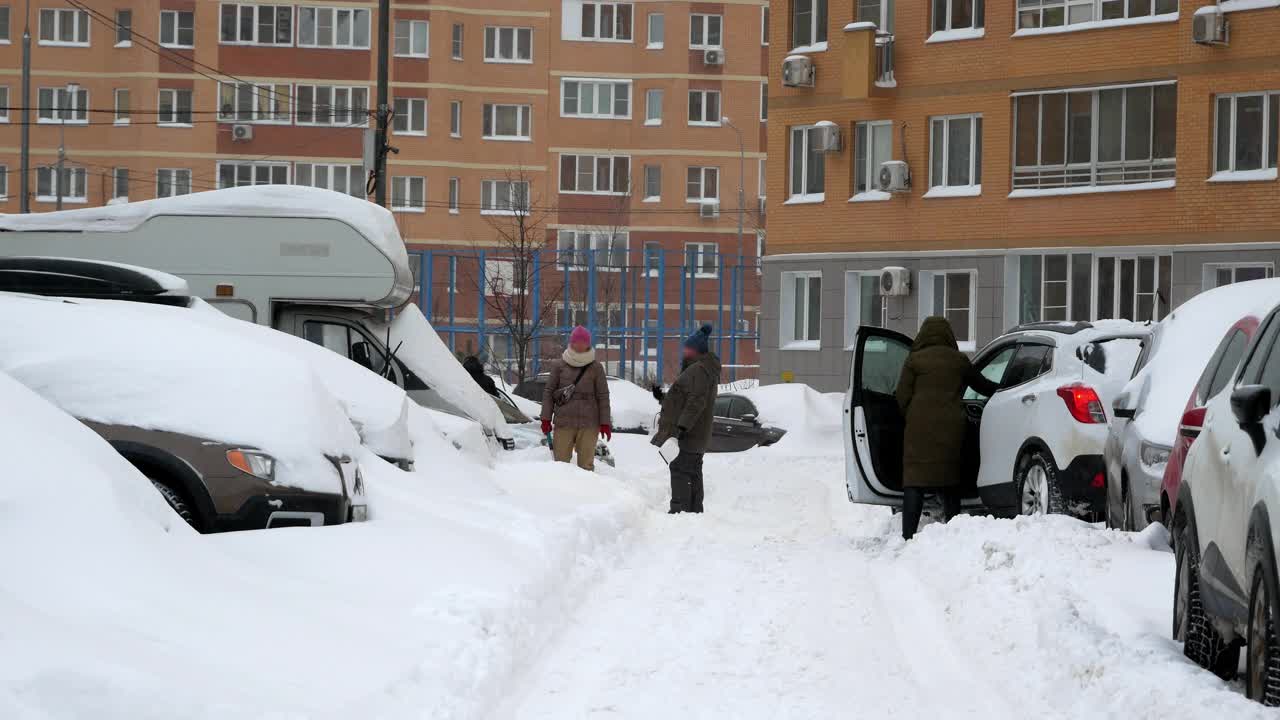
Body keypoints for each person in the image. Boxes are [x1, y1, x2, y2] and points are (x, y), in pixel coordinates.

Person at [896, 316, 1000, 540]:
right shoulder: (958, 360)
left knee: (914, 481)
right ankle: (953, 531)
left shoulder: (914, 360)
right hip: (952, 427)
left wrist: (912, 416)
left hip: (918, 428)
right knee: (949, 479)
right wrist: (1007, 387)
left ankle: (908, 534)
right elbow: (982, 386)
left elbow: (901, 395)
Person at [651, 324, 721, 513]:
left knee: (681, 470)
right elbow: (684, 399)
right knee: (693, 471)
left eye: (688, 348)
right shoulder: (700, 369)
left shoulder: (698, 370)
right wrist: (662, 398)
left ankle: (681, 511)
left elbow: (696, 402)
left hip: (689, 434)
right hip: (696, 434)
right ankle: (694, 511)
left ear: (696, 350)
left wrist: (681, 428)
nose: (684, 351)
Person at [540, 325, 611, 471]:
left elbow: (603, 396)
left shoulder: (596, 368)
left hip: (589, 424)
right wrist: (545, 418)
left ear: (588, 343)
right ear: (571, 343)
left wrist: (605, 422)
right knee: (561, 466)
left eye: (582, 342)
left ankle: (586, 493)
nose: (579, 345)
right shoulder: (559, 365)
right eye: (576, 341)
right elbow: (548, 393)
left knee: (586, 466)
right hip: (564, 423)